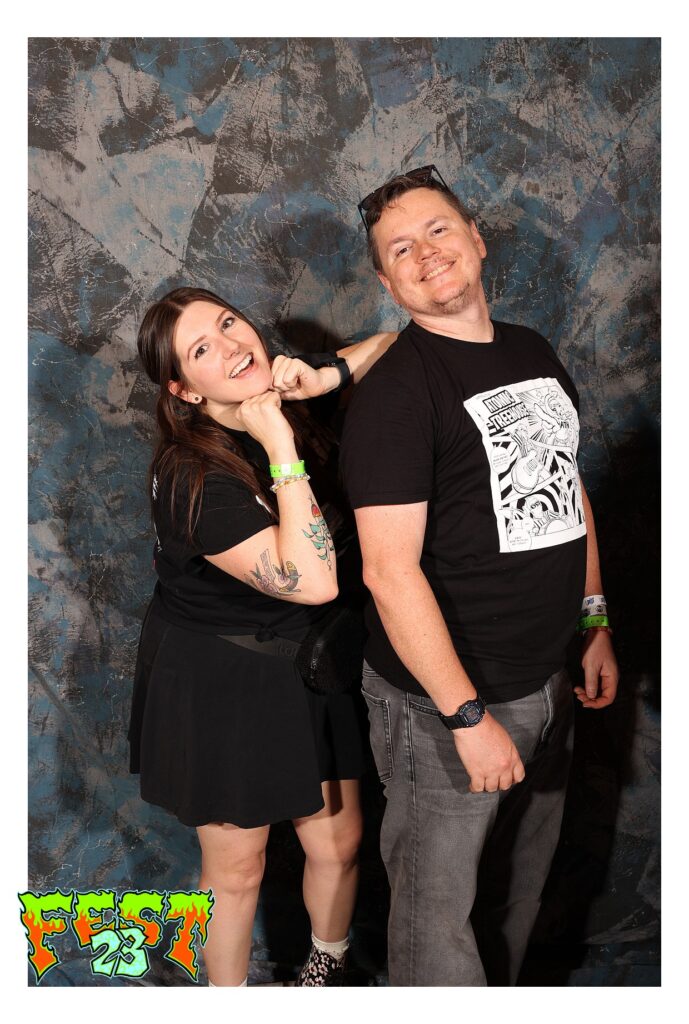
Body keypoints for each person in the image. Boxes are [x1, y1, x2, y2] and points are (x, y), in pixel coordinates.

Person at [339, 166, 619, 986]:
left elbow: (566, 490)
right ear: (386, 283)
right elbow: (388, 574)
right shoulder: (396, 395)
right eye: (400, 249)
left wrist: (593, 619)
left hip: (548, 679)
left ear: (475, 238)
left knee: (513, 900)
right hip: (449, 706)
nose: (425, 253)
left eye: (437, 230)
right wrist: (465, 717)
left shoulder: (530, 349)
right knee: (435, 930)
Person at [128, 286, 395, 987]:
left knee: (340, 843)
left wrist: (325, 377)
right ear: (185, 390)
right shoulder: (189, 478)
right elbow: (312, 580)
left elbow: (399, 343)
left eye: (227, 322)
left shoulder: (279, 391)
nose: (231, 345)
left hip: (309, 662)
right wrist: (280, 444)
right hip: (224, 680)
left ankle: (323, 971)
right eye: (202, 349)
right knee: (237, 869)